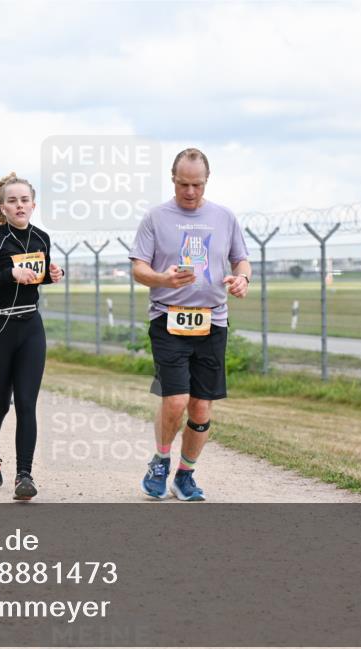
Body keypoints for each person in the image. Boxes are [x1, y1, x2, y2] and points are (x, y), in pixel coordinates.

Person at [129, 148, 251, 502]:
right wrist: (162, 279)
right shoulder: (156, 218)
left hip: (213, 321)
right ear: (173, 180)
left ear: (207, 181)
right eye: (183, 184)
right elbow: (138, 268)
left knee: (200, 406)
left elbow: (241, 261)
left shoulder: (224, 217)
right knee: (176, 399)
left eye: (197, 184)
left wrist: (242, 279)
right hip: (168, 318)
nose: (190, 191)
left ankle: (185, 475)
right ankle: (160, 461)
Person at [0, 174, 63, 501]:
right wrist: (9, 273)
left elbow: (37, 276)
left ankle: (25, 475)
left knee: (26, 403)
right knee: (1, 403)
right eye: (12, 201)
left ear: (33, 205)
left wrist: (52, 275)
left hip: (30, 327)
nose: (19, 205)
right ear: (2, 207)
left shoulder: (41, 238)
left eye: (24, 200)